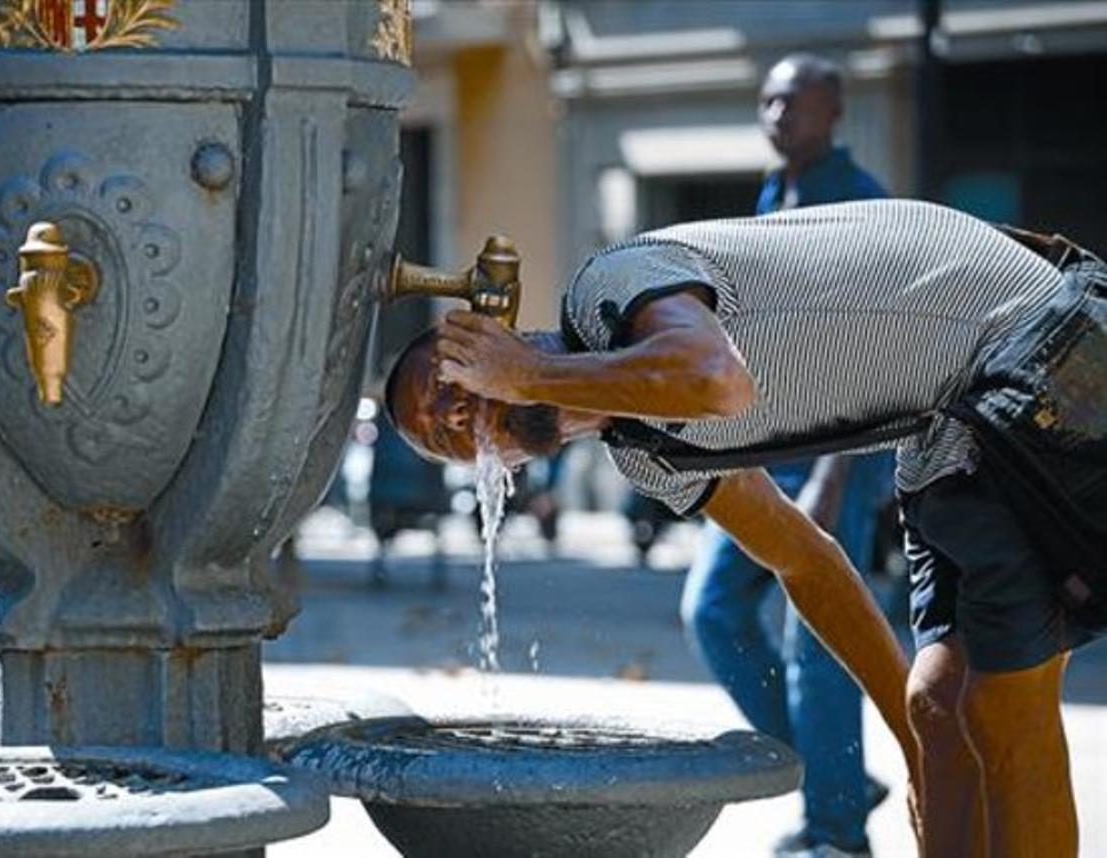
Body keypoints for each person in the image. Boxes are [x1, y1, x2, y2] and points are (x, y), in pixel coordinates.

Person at [384, 198, 1106, 858]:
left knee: (1003, 709)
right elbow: (803, 563)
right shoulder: (650, 457)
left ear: (493, 340)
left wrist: (530, 376)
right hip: (951, 418)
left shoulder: (611, 286)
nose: (453, 416)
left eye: (448, 384)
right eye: (444, 439)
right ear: (498, 465)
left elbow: (715, 380)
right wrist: (914, 749)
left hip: (1030, 341)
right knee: (932, 710)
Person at [679, 52, 891, 857]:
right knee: (711, 609)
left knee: (818, 634)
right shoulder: (774, 194)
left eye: (792, 103)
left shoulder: (860, 204)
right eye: (766, 101)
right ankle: (829, 774)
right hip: (765, 442)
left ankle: (837, 830)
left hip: (838, 447)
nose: (775, 115)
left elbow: (875, 353)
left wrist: (836, 478)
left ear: (833, 112)